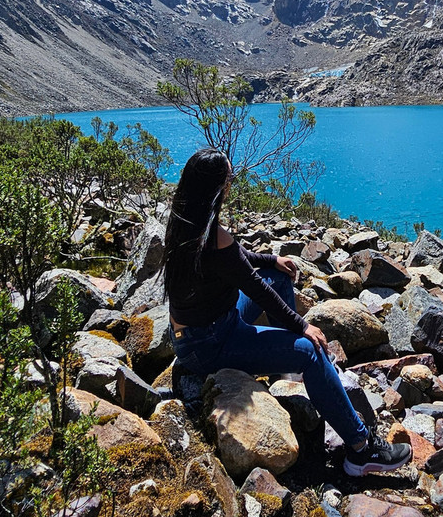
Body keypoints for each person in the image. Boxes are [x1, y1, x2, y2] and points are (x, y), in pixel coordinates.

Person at [154, 147, 411, 477]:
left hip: (193, 335)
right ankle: (361, 450)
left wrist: (272, 259)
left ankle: (282, 373)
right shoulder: (213, 236)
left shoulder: (185, 222)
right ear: (218, 187)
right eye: (230, 179)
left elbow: (238, 260)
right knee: (313, 352)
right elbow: (253, 287)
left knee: (277, 275)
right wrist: (302, 326)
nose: (233, 183)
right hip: (211, 343)